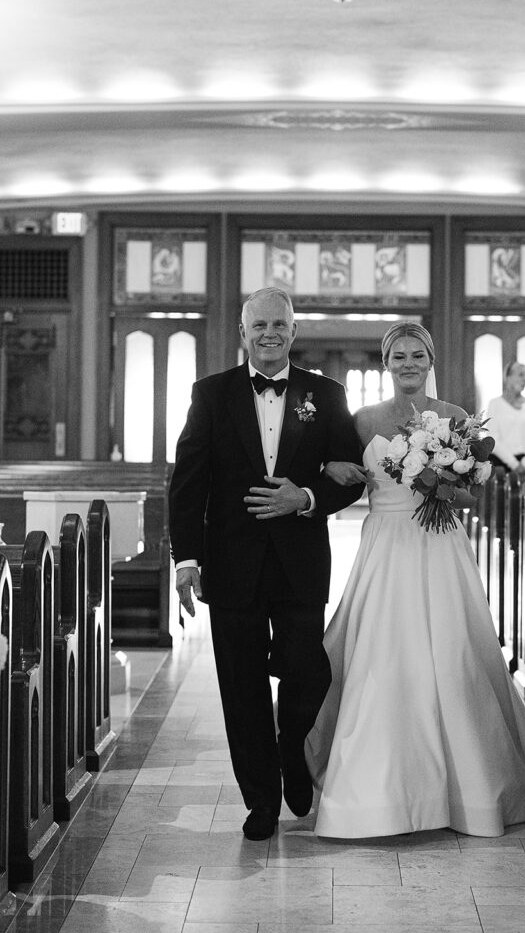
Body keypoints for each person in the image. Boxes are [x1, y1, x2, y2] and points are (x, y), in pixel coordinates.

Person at [304, 321, 525, 839]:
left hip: (441, 546)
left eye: (417, 355)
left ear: (430, 359)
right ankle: (379, 789)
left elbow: (472, 495)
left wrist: (440, 479)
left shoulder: (456, 417)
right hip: (386, 545)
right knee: (383, 655)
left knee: (455, 654)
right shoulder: (363, 420)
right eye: (398, 356)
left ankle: (470, 787)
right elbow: (340, 473)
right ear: (386, 362)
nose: (408, 364)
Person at [168, 287, 364, 842]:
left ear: (294, 332)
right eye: (260, 326)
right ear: (243, 332)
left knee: (309, 669)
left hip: (300, 560)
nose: (270, 333)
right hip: (231, 564)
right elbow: (188, 483)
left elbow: (349, 472)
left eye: (280, 324)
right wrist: (187, 558)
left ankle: (293, 754)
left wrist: (304, 498)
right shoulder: (211, 395)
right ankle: (261, 800)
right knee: (242, 684)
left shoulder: (325, 394)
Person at [486, 361, 525, 473]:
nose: (524, 379)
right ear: (507, 377)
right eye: (520, 374)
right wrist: (514, 464)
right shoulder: (495, 404)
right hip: (501, 466)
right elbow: (493, 438)